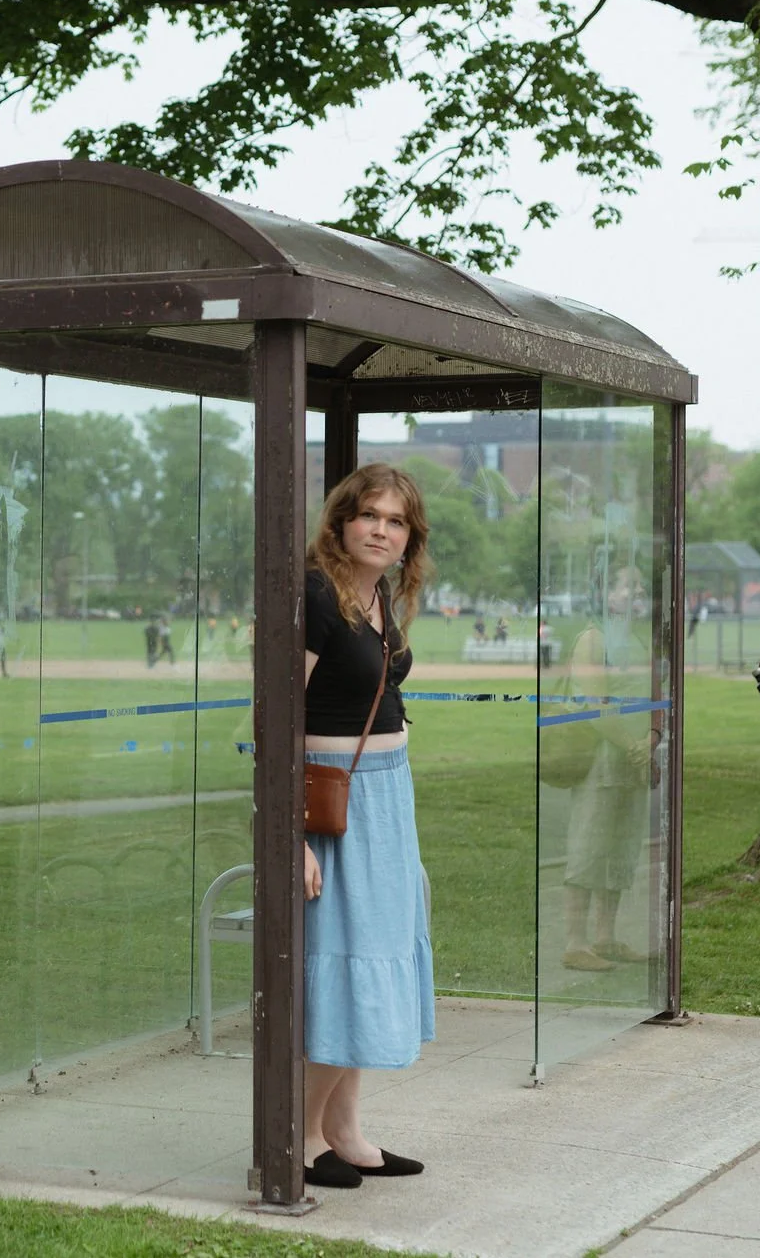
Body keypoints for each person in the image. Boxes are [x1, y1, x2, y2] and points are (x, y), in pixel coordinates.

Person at [300, 462, 434, 1190]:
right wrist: (293, 837)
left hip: (385, 799)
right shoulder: (317, 592)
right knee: (345, 967)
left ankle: (343, 1130)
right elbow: (276, 712)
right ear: (343, 521)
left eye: (396, 521)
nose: (382, 530)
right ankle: (294, 1135)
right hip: (332, 804)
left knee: (374, 957)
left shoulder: (377, 594)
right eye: (370, 516)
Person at [557, 566, 657, 972]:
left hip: (632, 759)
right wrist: (630, 744)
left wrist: (651, 737)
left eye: (640, 585)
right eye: (627, 585)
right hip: (601, 758)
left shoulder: (634, 639)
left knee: (621, 847)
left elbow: (653, 696)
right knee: (589, 843)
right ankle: (575, 942)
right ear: (605, 594)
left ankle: (605, 936)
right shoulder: (593, 640)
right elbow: (594, 702)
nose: (636, 592)